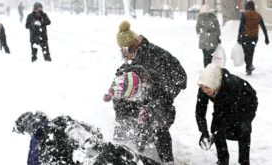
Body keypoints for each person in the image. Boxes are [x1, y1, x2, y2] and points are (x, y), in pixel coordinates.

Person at [104, 20, 187, 164]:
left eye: (123, 51)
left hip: (163, 95)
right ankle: (134, 146)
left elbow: (181, 79)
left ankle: (167, 161)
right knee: (128, 113)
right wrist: (115, 93)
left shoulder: (152, 57)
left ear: (131, 48)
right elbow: (121, 82)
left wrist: (160, 99)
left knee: (157, 122)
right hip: (147, 95)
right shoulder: (133, 60)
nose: (123, 55)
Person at [13, 111, 162, 165]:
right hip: (106, 151)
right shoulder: (63, 119)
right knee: (132, 157)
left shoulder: (38, 142)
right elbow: (96, 132)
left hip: (88, 160)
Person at [195, 63, 258, 165]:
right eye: (202, 87)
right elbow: (200, 112)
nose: (204, 90)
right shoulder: (205, 85)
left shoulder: (230, 85)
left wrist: (245, 121)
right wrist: (204, 132)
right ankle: (223, 160)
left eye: (207, 88)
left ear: (214, 84)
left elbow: (226, 114)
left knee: (243, 129)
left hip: (246, 102)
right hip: (225, 102)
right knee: (216, 128)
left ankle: (244, 161)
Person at [237, 0, 269, 75]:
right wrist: (266, 37)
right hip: (254, 37)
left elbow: (241, 27)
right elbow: (263, 27)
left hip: (245, 37)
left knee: (246, 53)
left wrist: (239, 37)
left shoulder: (244, 14)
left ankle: (248, 66)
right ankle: (249, 67)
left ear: (247, 6)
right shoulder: (257, 15)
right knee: (251, 52)